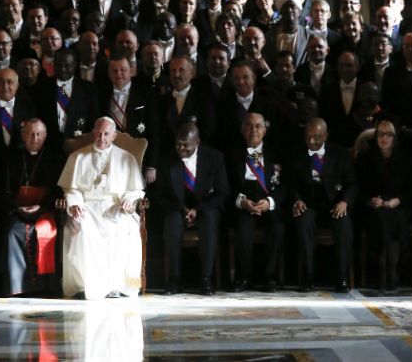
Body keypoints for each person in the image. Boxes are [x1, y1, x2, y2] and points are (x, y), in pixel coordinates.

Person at [58, 117, 146, 299]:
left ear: (114, 135)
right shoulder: (78, 157)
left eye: (106, 134)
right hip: (87, 206)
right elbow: (71, 188)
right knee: (82, 228)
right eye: (98, 133)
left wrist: (129, 201)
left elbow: (136, 189)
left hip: (116, 207)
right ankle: (86, 286)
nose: (101, 137)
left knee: (129, 230)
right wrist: (75, 204)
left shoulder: (127, 158)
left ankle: (125, 286)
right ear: (93, 133)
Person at [158, 123, 228, 295]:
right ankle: (174, 278)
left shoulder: (215, 158)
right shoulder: (167, 159)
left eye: (186, 144)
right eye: (178, 144)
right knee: (171, 224)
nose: (181, 148)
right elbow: (160, 195)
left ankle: (206, 278)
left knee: (209, 221)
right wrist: (182, 209)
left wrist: (198, 210)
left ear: (197, 142)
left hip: (205, 207)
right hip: (177, 207)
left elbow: (222, 192)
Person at [288, 118, 357, 293]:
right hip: (309, 203)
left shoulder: (340, 154)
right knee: (302, 221)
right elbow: (290, 184)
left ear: (325, 136)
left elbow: (353, 183)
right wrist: (297, 200)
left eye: (317, 137)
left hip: (334, 203)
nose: (311, 141)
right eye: (308, 137)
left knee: (343, 224)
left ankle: (341, 277)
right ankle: (308, 276)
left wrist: (344, 202)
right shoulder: (296, 152)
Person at [0, 119, 65, 296]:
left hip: (44, 211)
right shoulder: (11, 159)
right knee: (12, 232)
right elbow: (3, 192)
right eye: (30, 134)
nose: (34, 138)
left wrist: (41, 206)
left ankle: (45, 286)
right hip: (17, 211)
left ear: (45, 136)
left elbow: (59, 191)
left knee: (47, 231)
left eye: (38, 134)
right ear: (23, 136)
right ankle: (17, 286)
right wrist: (17, 208)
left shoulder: (55, 160)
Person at [228, 113, 286, 293]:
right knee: (243, 230)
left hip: (268, 203)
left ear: (265, 129)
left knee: (277, 228)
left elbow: (286, 185)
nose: (254, 130)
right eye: (249, 126)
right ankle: (244, 277)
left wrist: (270, 202)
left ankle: (270, 278)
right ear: (242, 130)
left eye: (258, 126)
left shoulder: (278, 152)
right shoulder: (231, 154)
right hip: (245, 204)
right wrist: (241, 201)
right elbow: (226, 186)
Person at [356, 118, 412, 292]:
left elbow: (411, 188)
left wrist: (396, 201)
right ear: (376, 135)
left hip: (399, 204)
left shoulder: (406, 158)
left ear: (395, 137)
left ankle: (390, 267)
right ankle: (385, 269)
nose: (384, 138)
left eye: (389, 134)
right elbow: (359, 187)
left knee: (395, 217)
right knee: (381, 217)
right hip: (374, 207)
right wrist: (371, 200)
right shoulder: (366, 158)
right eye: (381, 133)